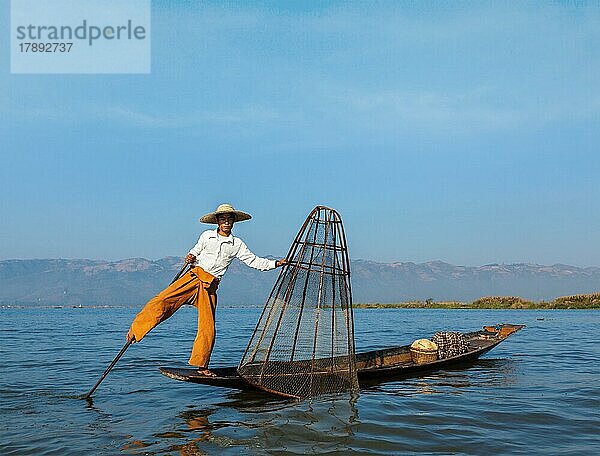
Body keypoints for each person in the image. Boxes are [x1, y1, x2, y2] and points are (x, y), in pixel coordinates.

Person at [126, 203, 287, 376]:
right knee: (162, 300)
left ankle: (202, 366)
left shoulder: (237, 244)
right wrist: (191, 256)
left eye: (229, 219)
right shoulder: (207, 236)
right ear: (217, 221)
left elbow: (254, 261)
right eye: (223, 219)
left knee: (207, 327)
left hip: (209, 286)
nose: (226, 222)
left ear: (233, 222)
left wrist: (276, 263)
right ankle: (136, 331)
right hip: (193, 277)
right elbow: (195, 251)